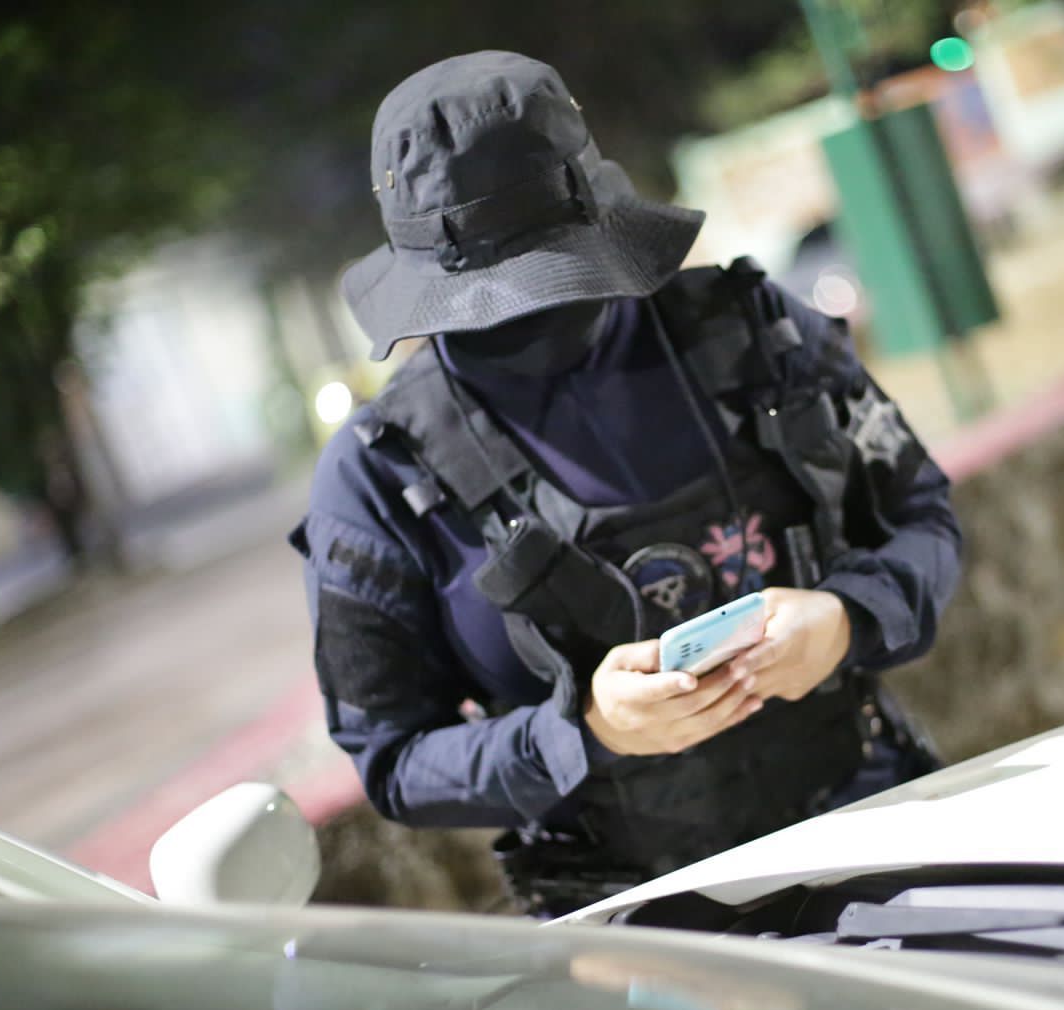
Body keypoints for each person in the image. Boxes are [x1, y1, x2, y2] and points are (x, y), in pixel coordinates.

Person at [291, 51, 963, 916]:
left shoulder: (755, 332)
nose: (538, 318)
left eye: (555, 276)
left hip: (867, 819)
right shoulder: (378, 475)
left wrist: (847, 618)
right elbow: (390, 760)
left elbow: (922, 514)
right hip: (632, 924)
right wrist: (580, 732)